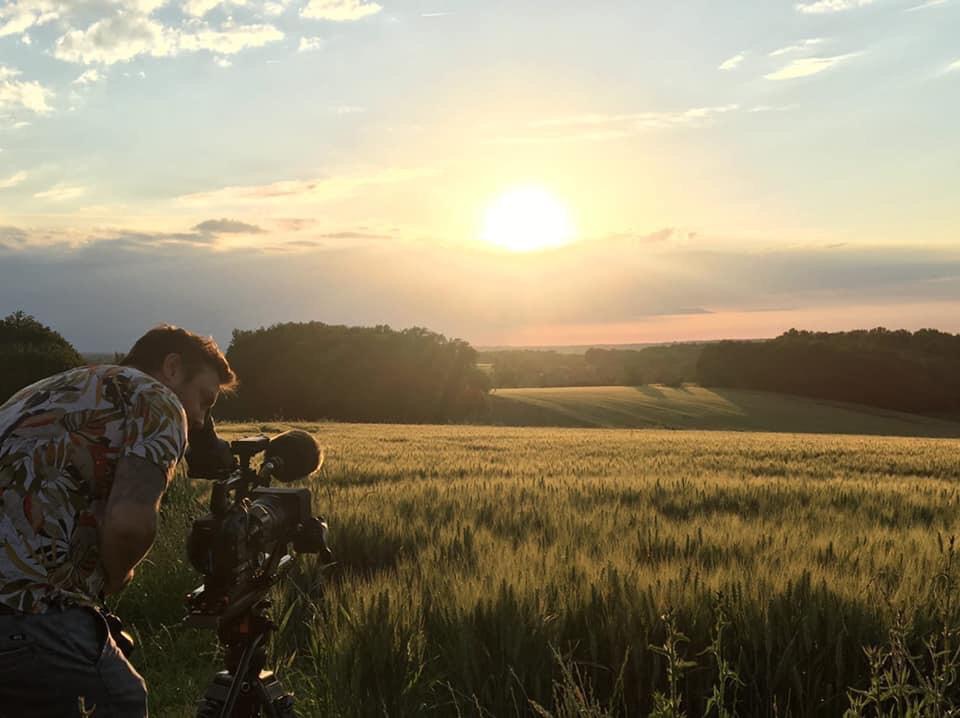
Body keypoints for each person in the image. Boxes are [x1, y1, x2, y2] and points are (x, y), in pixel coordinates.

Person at [0, 324, 237, 717]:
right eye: (204, 400)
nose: (199, 419)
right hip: (27, 607)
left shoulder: (50, 389)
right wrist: (116, 574)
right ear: (172, 366)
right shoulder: (157, 398)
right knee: (120, 700)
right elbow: (130, 522)